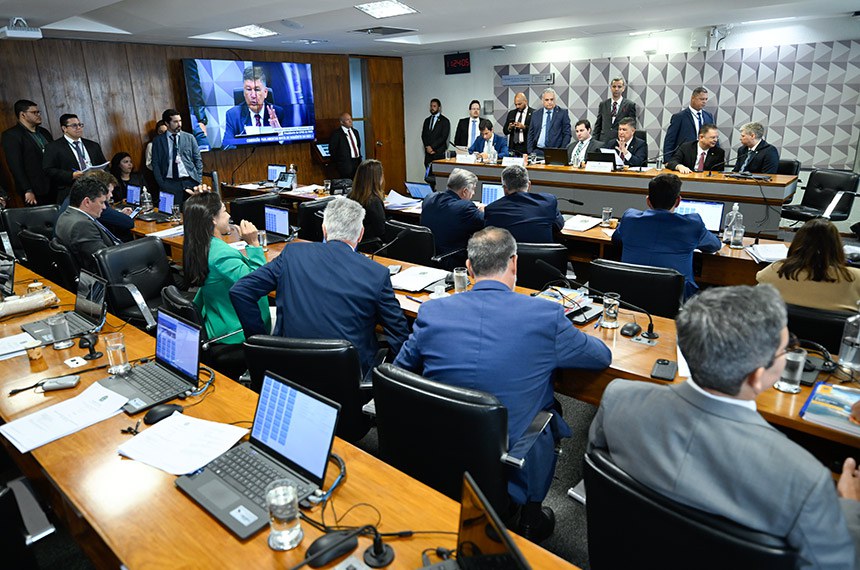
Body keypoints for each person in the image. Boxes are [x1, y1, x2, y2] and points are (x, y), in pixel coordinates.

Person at [588, 285, 859, 568]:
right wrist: (851, 509)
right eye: (786, 349)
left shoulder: (618, 397)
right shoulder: (805, 478)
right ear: (757, 377)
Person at [395, 227, 612, 542]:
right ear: (514, 262)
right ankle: (531, 517)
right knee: (550, 410)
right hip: (506, 461)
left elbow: (399, 371)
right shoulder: (545, 314)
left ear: (469, 268)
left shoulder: (432, 311)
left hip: (436, 450)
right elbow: (600, 357)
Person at [230, 196, 409, 377]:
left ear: (324, 229)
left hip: (288, 370)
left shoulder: (292, 254)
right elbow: (399, 333)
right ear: (361, 234)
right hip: (348, 377)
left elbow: (241, 291)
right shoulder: (377, 274)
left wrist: (260, 345)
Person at [183, 192, 269, 379]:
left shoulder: (200, 244)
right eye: (224, 211)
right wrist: (254, 244)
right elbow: (258, 283)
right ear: (213, 219)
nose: (229, 215)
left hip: (216, 320)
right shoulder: (221, 254)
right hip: (236, 330)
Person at [612, 173, 721, 298]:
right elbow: (715, 245)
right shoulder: (692, 224)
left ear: (648, 201)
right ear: (678, 201)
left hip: (630, 296)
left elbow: (616, 239)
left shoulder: (630, 218)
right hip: (675, 299)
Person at [756, 218, 860, 312]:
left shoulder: (774, 270)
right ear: (837, 247)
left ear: (797, 242)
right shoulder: (855, 277)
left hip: (782, 327)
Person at [483, 165, 564, 243]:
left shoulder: (492, 209)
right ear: (529, 185)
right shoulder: (547, 202)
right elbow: (558, 225)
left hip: (508, 252)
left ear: (505, 188)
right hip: (542, 252)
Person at [54, 176, 120, 272]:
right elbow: (105, 261)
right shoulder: (82, 226)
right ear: (87, 202)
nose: (104, 207)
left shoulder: (65, 215)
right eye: (101, 202)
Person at [420, 168, 484, 266]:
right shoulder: (465, 208)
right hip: (452, 262)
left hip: (426, 258)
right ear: (465, 191)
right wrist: (482, 211)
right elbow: (485, 221)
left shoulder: (430, 198)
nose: (474, 193)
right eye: (473, 189)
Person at [42, 113, 107, 205]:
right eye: (74, 125)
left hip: (95, 190)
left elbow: (104, 165)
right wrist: (71, 175)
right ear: (64, 128)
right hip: (70, 191)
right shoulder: (53, 147)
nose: (78, 128)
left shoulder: (93, 145)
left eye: (80, 125)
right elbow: (48, 170)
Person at [1, 99, 53, 205]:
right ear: (23, 115)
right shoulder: (11, 135)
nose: (38, 115)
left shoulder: (44, 132)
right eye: (34, 112)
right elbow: (15, 166)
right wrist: (27, 189)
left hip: (54, 185)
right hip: (35, 190)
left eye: (38, 112)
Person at [222, 66, 286, 148]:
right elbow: (226, 146)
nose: (253, 95)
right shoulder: (233, 115)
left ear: (265, 92)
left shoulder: (278, 113)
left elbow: (291, 145)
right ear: (244, 92)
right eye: (248, 89)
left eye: (257, 90)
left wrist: (280, 134)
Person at [151, 108, 203, 208]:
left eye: (180, 121)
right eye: (175, 122)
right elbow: (155, 164)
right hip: (169, 183)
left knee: (195, 212)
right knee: (171, 213)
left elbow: (198, 160)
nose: (179, 124)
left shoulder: (189, 137)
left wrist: (198, 180)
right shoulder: (158, 141)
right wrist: (161, 183)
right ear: (167, 123)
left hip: (190, 181)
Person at [663, 86, 715, 158]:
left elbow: (713, 136)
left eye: (706, 99)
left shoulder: (708, 116)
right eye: (701, 99)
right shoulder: (679, 117)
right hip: (685, 157)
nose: (704, 102)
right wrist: (667, 159)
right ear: (693, 98)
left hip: (704, 157)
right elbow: (670, 140)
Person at [348, 159, 387, 243]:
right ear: (377, 178)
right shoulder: (373, 201)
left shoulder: (351, 195)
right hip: (372, 244)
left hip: (355, 241)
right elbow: (381, 230)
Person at [527, 88, 571, 155]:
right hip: (537, 151)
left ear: (555, 100)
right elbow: (530, 134)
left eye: (552, 99)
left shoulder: (562, 113)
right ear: (542, 101)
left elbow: (567, 134)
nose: (549, 102)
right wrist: (530, 151)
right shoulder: (536, 114)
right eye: (547, 100)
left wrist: (561, 150)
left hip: (555, 151)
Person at [592, 77, 638, 142]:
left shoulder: (630, 105)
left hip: (620, 141)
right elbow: (598, 125)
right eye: (614, 86)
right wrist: (594, 141)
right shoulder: (603, 104)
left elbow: (631, 126)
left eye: (619, 87)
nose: (616, 89)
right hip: (603, 141)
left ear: (623, 88)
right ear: (611, 88)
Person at [328, 112, 362, 179]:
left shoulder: (355, 132)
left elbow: (358, 146)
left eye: (351, 119)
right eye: (347, 120)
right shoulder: (336, 134)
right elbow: (332, 150)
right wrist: (340, 162)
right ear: (342, 122)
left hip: (357, 162)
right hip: (345, 165)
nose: (350, 121)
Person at [422, 98, 450, 168]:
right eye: (431, 106)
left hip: (439, 153)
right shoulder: (427, 120)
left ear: (439, 108)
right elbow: (423, 135)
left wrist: (432, 147)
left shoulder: (445, 121)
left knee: (439, 172)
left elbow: (443, 137)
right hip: (428, 154)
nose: (432, 108)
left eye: (434, 106)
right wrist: (427, 147)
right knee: (428, 173)